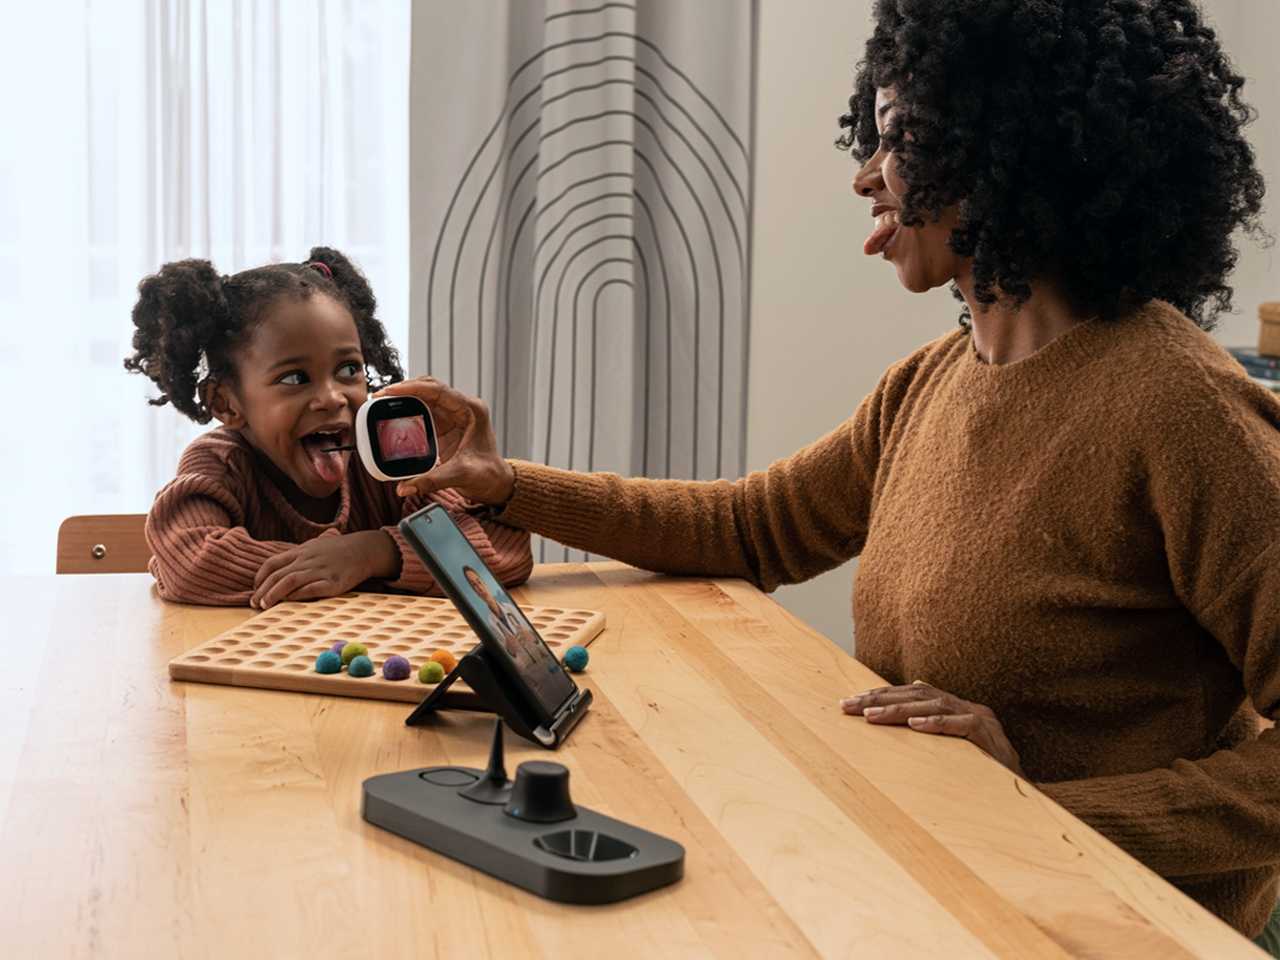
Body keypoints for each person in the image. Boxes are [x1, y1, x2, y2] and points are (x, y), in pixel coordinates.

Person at [381, 1, 1280, 948]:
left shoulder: (1182, 407)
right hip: (951, 888)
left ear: (1014, 147)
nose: (866, 176)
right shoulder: (932, 383)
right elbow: (752, 527)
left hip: (1112, 926)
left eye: (899, 139)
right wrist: (503, 480)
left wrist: (1047, 812)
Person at [124, 247, 532, 607]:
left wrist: (374, 553)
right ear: (225, 403)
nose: (333, 397)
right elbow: (188, 562)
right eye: (295, 378)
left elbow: (505, 550)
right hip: (266, 670)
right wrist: (329, 568)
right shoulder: (220, 463)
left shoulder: (389, 457)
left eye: (349, 369)